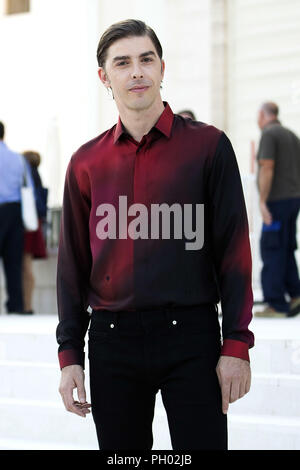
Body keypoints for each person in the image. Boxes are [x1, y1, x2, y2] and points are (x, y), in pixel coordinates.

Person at [56, 19, 254, 450]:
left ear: (163, 67)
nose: (137, 72)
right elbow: (72, 264)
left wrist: (237, 343)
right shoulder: (85, 162)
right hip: (111, 342)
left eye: (146, 59)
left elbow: (234, 251)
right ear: (104, 77)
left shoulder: (209, 147)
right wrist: (70, 355)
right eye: (122, 63)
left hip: (192, 337)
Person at [255, 102, 300, 318]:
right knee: (287, 248)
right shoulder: (291, 135)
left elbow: (267, 167)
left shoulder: (269, 134)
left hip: (276, 202)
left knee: (272, 249)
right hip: (293, 200)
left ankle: (276, 304)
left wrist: (263, 201)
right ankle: (295, 295)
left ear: (263, 115)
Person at [0, 121, 30, 314]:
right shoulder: (18, 159)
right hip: (14, 212)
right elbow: (29, 190)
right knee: (13, 262)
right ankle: (16, 307)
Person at [22, 151, 48, 314]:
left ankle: (26, 305)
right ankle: (27, 305)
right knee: (27, 265)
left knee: (25, 266)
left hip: (26, 225)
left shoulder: (27, 174)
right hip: (33, 223)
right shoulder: (36, 175)